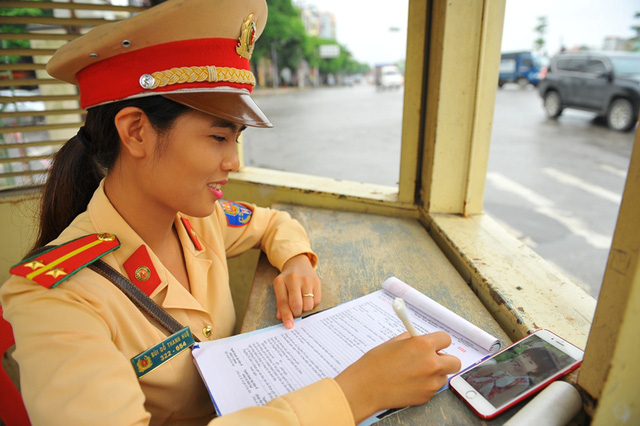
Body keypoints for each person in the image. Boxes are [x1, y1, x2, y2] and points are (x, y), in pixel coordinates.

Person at [0, 0, 462, 424]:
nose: (234, 162)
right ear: (136, 132)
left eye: (236, 139)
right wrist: (352, 394)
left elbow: (273, 223)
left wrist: (297, 260)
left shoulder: (198, 219)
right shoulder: (55, 299)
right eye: (219, 138)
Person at [461, 346, 560, 408]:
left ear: (535, 370)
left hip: (481, 399)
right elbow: (481, 373)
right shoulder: (507, 363)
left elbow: (500, 400)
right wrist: (496, 367)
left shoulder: (522, 383)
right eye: (524, 356)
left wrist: (484, 405)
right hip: (468, 382)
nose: (522, 360)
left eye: (530, 362)